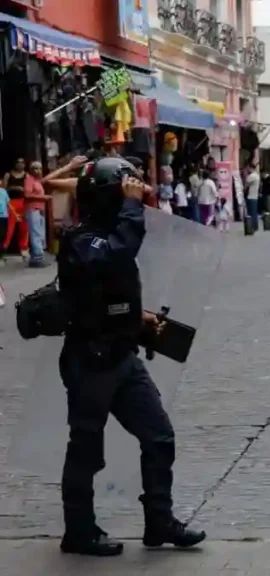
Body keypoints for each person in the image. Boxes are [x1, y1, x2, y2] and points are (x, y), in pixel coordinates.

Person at [56, 157, 206, 557]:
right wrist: (132, 207)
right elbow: (112, 256)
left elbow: (108, 288)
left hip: (122, 355)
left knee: (159, 436)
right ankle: (79, 531)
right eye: (123, 192)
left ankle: (159, 521)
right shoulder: (82, 238)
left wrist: (141, 318)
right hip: (89, 359)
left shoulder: (109, 234)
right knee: (86, 448)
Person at [24, 161, 50, 267]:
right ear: (31, 170)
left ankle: (36, 257)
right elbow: (27, 195)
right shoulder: (29, 179)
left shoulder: (38, 180)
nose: (38, 170)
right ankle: (38, 258)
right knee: (36, 234)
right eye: (35, 168)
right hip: (32, 209)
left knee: (39, 234)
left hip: (39, 209)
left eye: (39, 168)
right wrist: (44, 198)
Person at [3, 157, 29, 257]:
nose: (20, 164)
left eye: (22, 162)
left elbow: (29, 189)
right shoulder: (8, 175)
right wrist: (14, 187)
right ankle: (4, 248)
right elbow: (3, 189)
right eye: (18, 162)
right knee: (10, 228)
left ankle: (24, 248)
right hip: (11, 202)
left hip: (23, 202)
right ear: (15, 164)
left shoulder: (26, 175)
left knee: (24, 227)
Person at [244, 164, 260, 231]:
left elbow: (246, 184)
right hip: (254, 196)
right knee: (254, 212)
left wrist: (245, 174)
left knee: (251, 213)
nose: (247, 170)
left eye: (248, 168)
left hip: (251, 196)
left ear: (251, 168)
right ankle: (255, 226)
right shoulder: (257, 175)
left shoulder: (252, 176)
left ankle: (252, 226)